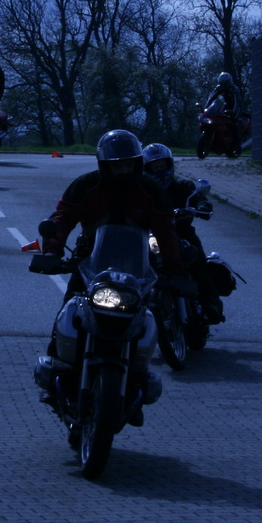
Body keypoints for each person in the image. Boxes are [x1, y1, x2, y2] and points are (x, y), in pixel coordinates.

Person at [36, 129, 188, 413]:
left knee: (143, 321)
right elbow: (62, 218)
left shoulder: (152, 191)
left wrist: (175, 268)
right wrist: (52, 253)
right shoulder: (86, 186)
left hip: (136, 267)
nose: (124, 170)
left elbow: (166, 231)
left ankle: (137, 381)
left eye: (129, 164)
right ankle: (56, 375)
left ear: (138, 163)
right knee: (67, 314)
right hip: (90, 263)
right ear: (104, 165)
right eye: (117, 165)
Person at [142, 142, 224, 323]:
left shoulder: (182, 185)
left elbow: (197, 197)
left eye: (162, 166)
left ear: (169, 165)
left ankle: (211, 304)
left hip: (181, 233)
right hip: (150, 236)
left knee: (198, 262)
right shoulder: (143, 190)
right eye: (155, 167)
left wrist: (202, 206)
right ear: (147, 169)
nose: (160, 171)